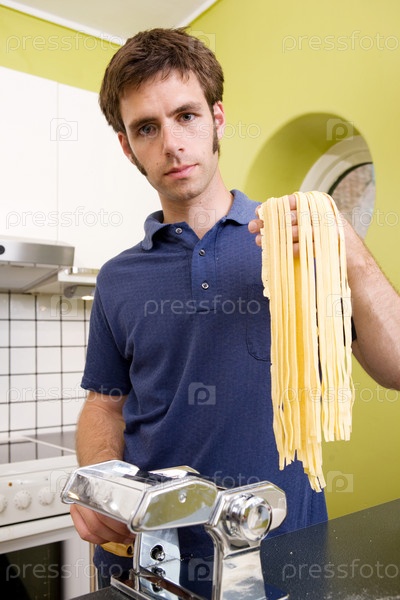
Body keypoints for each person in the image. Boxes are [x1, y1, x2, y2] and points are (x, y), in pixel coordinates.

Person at [70, 27, 400, 587]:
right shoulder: (118, 279)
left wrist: (348, 250)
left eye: (186, 116)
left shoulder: (297, 246)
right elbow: (105, 404)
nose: (171, 144)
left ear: (217, 118)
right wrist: (100, 480)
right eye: (147, 128)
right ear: (127, 147)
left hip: (284, 559)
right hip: (151, 562)